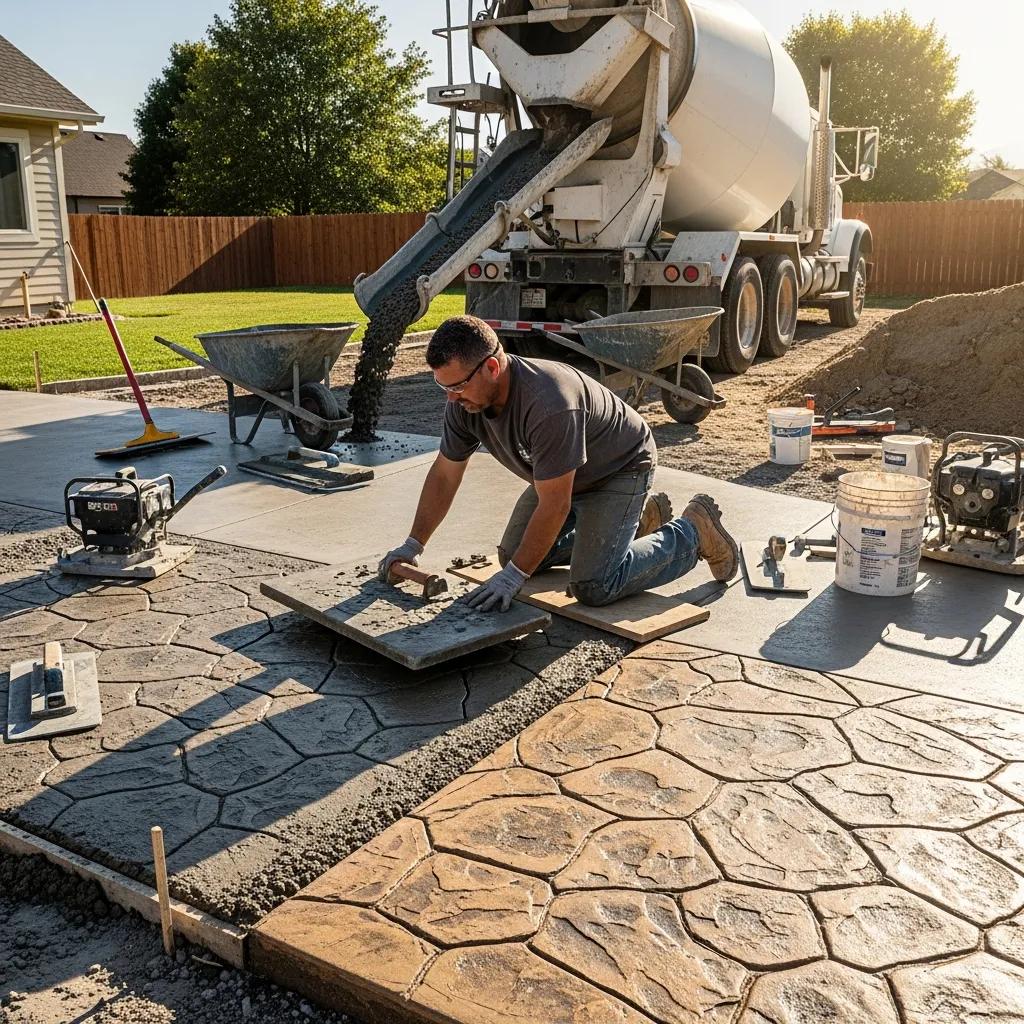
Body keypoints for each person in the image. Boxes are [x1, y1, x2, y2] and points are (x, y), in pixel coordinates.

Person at [378, 315, 738, 612]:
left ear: (491, 366)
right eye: (444, 388)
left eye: (456, 386)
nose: (451, 398)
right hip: (560, 476)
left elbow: (556, 503)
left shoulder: (548, 402)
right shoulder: (464, 402)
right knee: (511, 556)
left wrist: (516, 577)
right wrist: (413, 544)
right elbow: (444, 474)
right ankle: (633, 523)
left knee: (594, 585)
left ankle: (693, 532)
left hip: (619, 468)